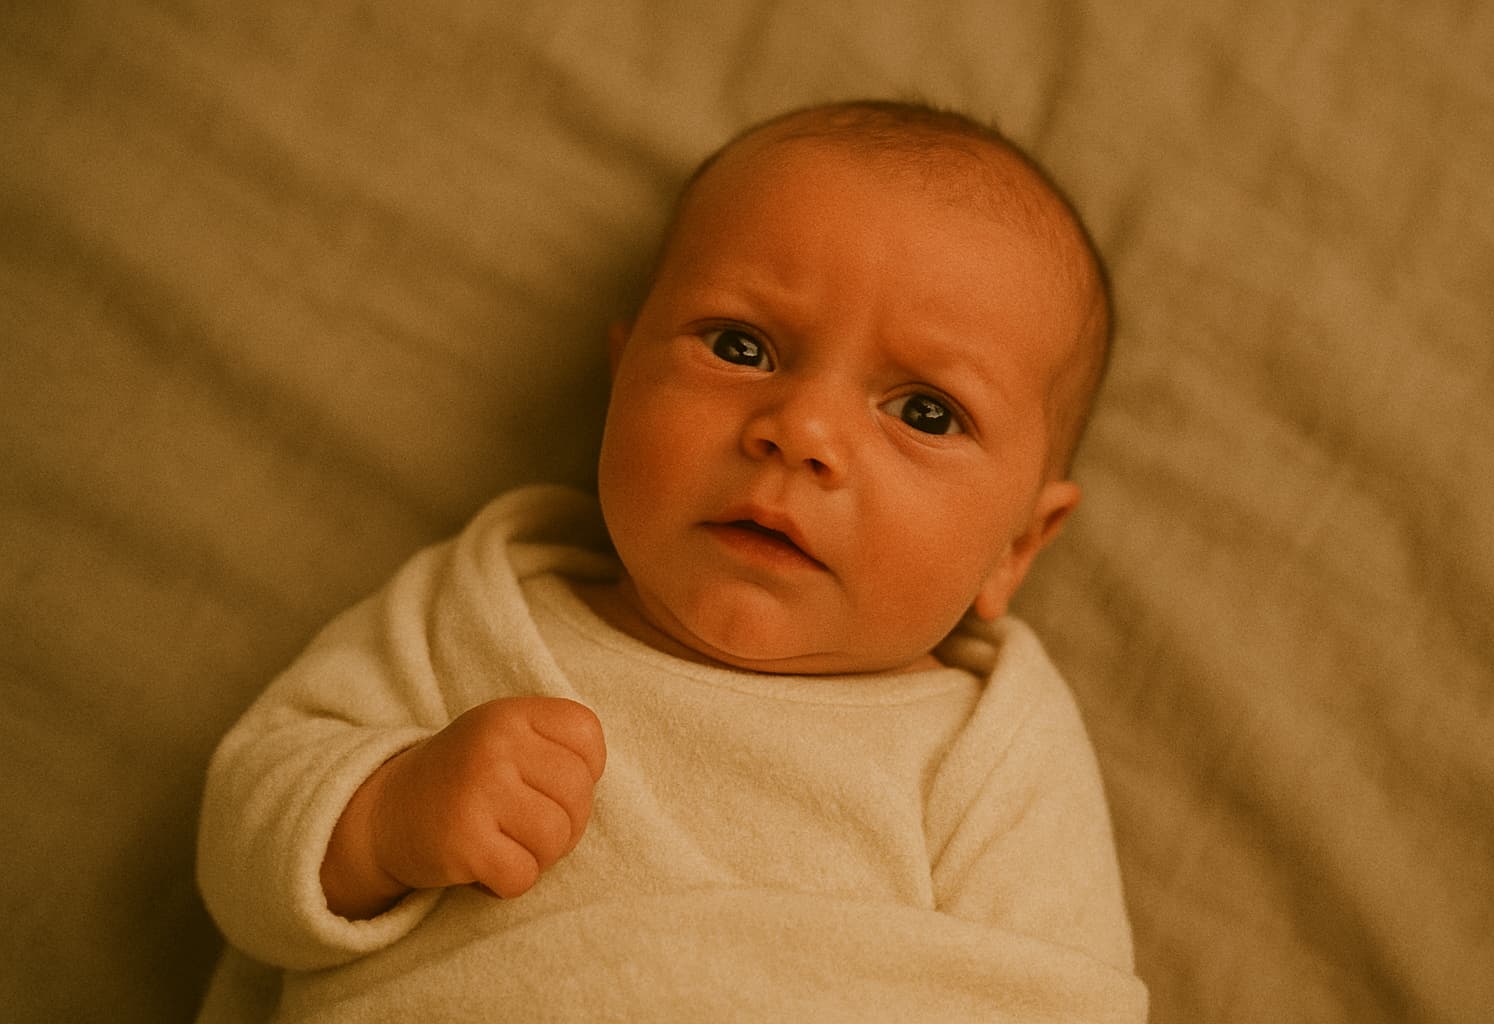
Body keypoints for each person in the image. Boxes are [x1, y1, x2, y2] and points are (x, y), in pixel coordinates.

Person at [195, 99, 1147, 1022]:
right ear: (623, 380)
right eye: (740, 346)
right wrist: (385, 817)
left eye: (926, 412)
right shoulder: (484, 604)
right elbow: (243, 839)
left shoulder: (991, 748)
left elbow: (1067, 1002)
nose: (802, 431)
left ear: (1017, 547)